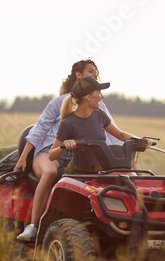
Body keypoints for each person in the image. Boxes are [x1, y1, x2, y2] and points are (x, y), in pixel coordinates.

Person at [15, 61, 120, 242]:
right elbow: (39, 129)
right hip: (51, 150)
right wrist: (23, 157)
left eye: (96, 73)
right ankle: (33, 227)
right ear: (78, 75)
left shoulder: (99, 108)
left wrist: (125, 154)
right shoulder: (58, 103)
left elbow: (112, 134)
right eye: (90, 72)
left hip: (79, 153)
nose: (95, 75)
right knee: (49, 172)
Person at [47, 76, 152, 175]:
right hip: (79, 173)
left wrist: (139, 140)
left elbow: (120, 134)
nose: (102, 97)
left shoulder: (100, 115)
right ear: (88, 97)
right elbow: (51, 156)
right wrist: (64, 146)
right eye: (99, 93)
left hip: (102, 171)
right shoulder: (68, 123)